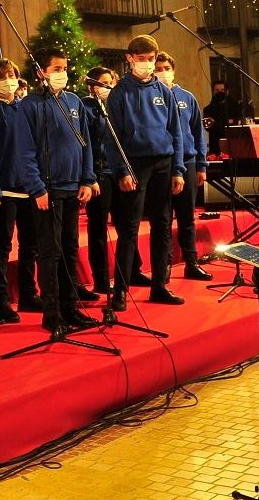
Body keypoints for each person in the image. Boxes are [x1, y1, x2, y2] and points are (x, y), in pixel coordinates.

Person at [20, 50, 96, 333]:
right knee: (50, 252)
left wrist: (87, 179)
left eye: (64, 67)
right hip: (47, 191)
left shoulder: (74, 101)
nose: (61, 73)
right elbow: (24, 151)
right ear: (41, 72)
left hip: (73, 188)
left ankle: (70, 306)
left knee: (70, 249)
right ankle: (52, 313)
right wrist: (37, 187)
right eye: (55, 68)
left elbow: (85, 143)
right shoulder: (29, 106)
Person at [107, 35, 184, 312]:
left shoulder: (164, 91)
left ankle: (159, 286)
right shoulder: (120, 93)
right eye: (142, 59)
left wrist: (178, 169)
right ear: (130, 59)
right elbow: (112, 137)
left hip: (163, 163)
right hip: (135, 166)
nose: (148, 64)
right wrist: (121, 170)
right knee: (129, 229)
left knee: (163, 225)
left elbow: (175, 132)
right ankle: (121, 292)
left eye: (151, 59)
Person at [0, 58, 44, 323]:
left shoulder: (25, 108)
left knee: (30, 244)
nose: (9, 81)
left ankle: (29, 294)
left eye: (12, 76)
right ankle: (1, 299)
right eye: (3, 77)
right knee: (2, 246)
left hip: (29, 187)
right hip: (4, 189)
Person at [155, 54, 211, 281]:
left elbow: (198, 133)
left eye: (166, 67)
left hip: (188, 162)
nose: (162, 71)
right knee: (164, 218)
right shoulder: (152, 96)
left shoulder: (187, 97)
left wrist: (202, 165)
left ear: (174, 70)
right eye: (158, 68)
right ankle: (164, 265)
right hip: (162, 163)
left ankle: (191, 262)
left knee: (187, 217)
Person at [83, 66, 118, 294]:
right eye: (103, 84)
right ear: (91, 86)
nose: (108, 88)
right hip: (99, 172)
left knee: (125, 226)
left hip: (117, 172)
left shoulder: (116, 107)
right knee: (98, 230)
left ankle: (128, 273)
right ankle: (101, 279)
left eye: (110, 83)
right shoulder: (85, 107)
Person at [202, 80, 241, 155]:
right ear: (213, 92)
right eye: (217, 90)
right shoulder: (208, 109)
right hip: (216, 148)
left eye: (222, 90)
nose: (220, 92)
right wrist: (227, 122)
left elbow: (238, 124)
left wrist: (215, 123)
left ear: (227, 91)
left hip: (234, 146)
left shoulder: (236, 107)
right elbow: (208, 127)